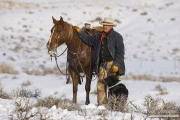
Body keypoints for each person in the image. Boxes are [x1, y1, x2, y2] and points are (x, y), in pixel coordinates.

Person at [77, 18, 125, 105]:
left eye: (106, 25)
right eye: (103, 25)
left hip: (113, 65)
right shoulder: (99, 36)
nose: (104, 26)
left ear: (111, 26)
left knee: (113, 87)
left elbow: (120, 53)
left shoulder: (117, 37)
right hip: (102, 64)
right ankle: (101, 105)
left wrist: (117, 64)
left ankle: (113, 105)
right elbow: (89, 40)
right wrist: (80, 32)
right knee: (100, 85)